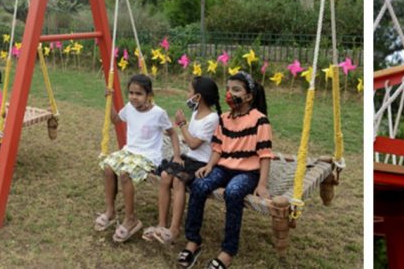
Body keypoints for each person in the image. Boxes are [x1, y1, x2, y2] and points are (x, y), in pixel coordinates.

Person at [178, 72, 272, 269]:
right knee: (199, 185)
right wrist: (209, 165)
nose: (230, 94)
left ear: (249, 96)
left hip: (247, 173)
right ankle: (193, 241)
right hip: (223, 167)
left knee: (233, 192)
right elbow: (218, 148)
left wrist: (262, 184)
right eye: (228, 89)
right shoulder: (224, 118)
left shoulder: (260, 120)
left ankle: (228, 251)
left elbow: (264, 154)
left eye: (236, 90)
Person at [94, 74, 178, 243]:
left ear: (149, 95)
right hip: (130, 151)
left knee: (125, 173)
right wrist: (109, 102)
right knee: (108, 167)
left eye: (138, 94)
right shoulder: (129, 108)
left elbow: (172, 133)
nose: (133, 97)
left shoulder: (158, 113)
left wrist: (176, 155)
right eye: (131, 93)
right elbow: (117, 120)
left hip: (148, 156)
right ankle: (110, 211)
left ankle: (130, 219)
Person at [144, 76, 221, 245]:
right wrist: (174, 129)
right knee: (165, 175)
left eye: (189, 91)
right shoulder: (195, 113)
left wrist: (182, 124)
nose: (187, 95)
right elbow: (188, 139)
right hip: (189, 158)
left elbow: (194, 144)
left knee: (178, 181)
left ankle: (174, 229)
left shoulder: (213, 118)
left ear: (198, 97)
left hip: (201, 163)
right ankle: (161, 224)